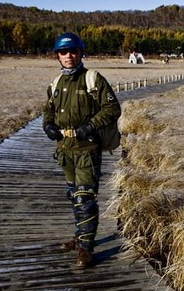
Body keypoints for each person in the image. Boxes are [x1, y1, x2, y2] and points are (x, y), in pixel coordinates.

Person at [42, 33, 122, 268]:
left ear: (80, 53)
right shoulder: (56, 84)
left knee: (85, 199)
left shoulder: (92, 79)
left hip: (87, 149)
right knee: (73, 196)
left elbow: (112, 108)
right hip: (65, 151)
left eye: (73, 51)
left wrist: (90, 126)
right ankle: (80, 236)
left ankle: (86, 249)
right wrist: (47, 126)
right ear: (57, 56)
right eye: (63, 52)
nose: (68, 56)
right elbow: (48, 111)